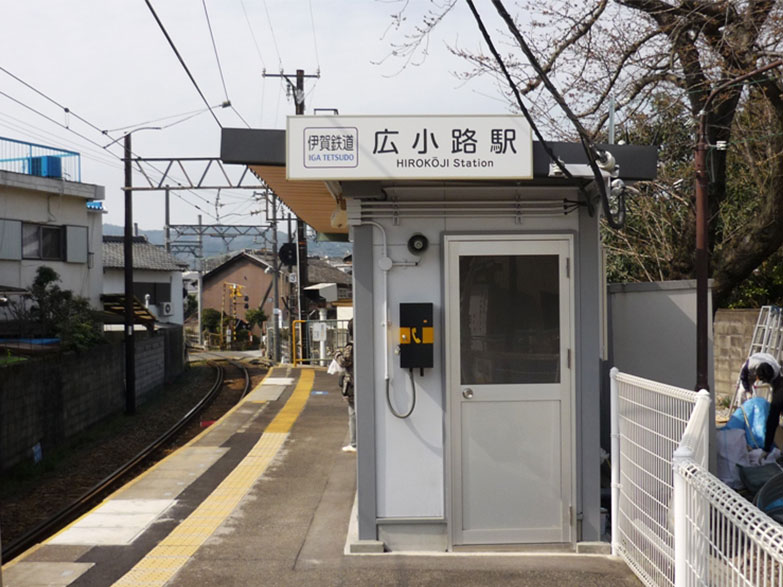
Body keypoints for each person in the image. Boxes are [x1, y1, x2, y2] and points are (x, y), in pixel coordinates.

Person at [334, 319, 356, 453]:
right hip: (363, 382)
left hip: (352, 383)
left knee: (353, 413)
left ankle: (354, 443)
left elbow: (344, 362)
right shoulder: (368, 342)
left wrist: (336, 354)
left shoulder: (351, 346)